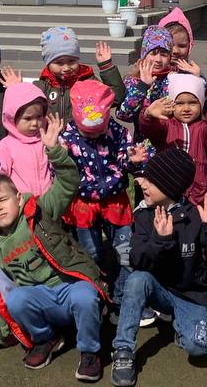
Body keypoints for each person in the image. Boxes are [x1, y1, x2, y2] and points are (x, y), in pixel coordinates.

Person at [0, 121, 109, 381]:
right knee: (16, 300)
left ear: (18, 198)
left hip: (68, 286)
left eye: (2, 200)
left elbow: (68, 183)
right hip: (40, 298)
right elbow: (0, 291)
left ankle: (90, 351)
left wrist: (54, 151)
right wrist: (1, 329)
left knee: (85, 297)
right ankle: (46, 338)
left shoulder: (40, 211)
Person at [110, 149, 207, 387]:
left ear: (169, 187)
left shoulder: (195, 216)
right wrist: (160, 241)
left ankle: (182, 322)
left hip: (192, 296)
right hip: (160, 290)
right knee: (137, 279)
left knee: (199, 349)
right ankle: (123, 350)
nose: (142, 184)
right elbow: (137, 260)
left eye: (151, 181)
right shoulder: (144, 215)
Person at [61, 79, 150, 303]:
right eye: (86, 132)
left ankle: (124, 296)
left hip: (115, 199)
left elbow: (123, 161)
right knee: (90, 252)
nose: (93, 136)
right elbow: (61, 172)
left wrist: (132, 161)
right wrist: (58, 155)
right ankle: (96, 294)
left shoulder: (118, 132)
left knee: (124, 250)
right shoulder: (67, 137)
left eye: (98, 131)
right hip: (84, 202)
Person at [139, 73, 207, 208]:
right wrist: (148, 115)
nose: (186, 108)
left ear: (201, 104)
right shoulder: (166, 125)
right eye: (179, 103)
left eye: (193, 103)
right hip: (167, 191)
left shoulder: (202, 128)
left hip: (197, 193)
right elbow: (148, 129)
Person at [35, 27, 125, 123]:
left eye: (71, 61)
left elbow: (115, 98)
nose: (66, 68)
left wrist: (106, 67)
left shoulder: (87, 82)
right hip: (50, 132)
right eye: (59, 63)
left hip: (80, 132)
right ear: (48, 63)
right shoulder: (42, 86)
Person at [0, 83, 54, 196]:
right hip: (22, 202)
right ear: (12, 118)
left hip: (48, 200)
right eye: (28, 118)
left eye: (39, 117)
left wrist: (59, 151)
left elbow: (55, 170)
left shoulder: (46, 140)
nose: (35, 123)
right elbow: (2, 178)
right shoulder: (5, 146)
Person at [117, 26, 175, 122]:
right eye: (153, 53)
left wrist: (197, 77)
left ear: (170, 58)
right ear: (144, 55)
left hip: (170, 131)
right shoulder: (133, 80)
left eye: (164, 54)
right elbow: (123, 115)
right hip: (143, 131)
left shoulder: (174, 77)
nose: (158, 59)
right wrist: (142, 86)